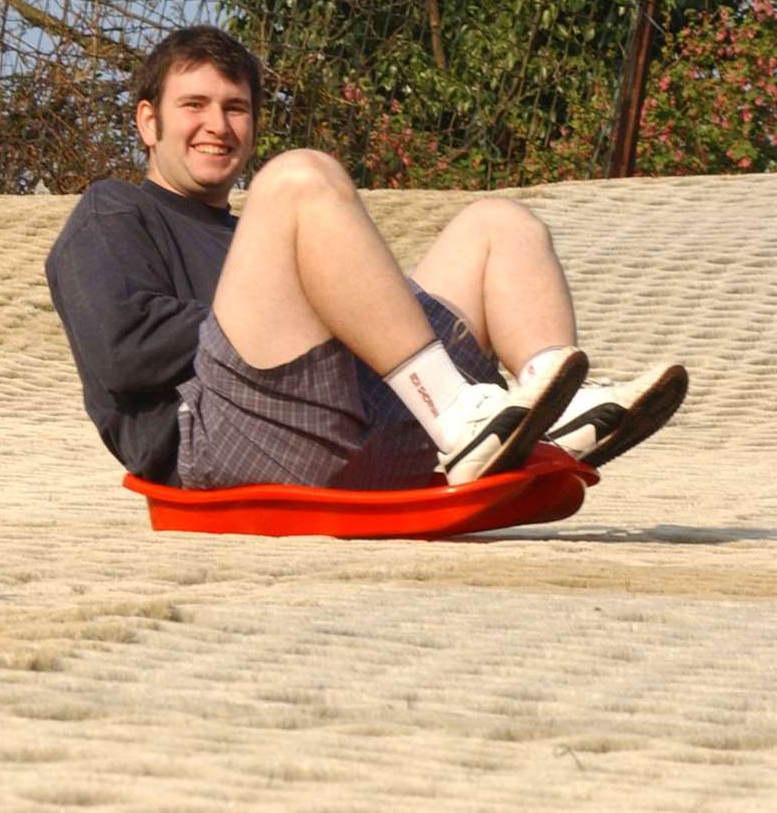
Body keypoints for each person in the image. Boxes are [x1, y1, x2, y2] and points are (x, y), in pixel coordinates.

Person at [46, 25, 687, 492]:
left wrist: (353, 315)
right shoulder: (115, 210)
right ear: (147, 123)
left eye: (235, 107)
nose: (218, 124)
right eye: (195, 105)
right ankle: (456, 412)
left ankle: (555, 410)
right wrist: (308, 308)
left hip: (358, 421)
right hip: (218, 442)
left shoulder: (252, 233)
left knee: (499, 225)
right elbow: (120, 352)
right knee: (300, 176)